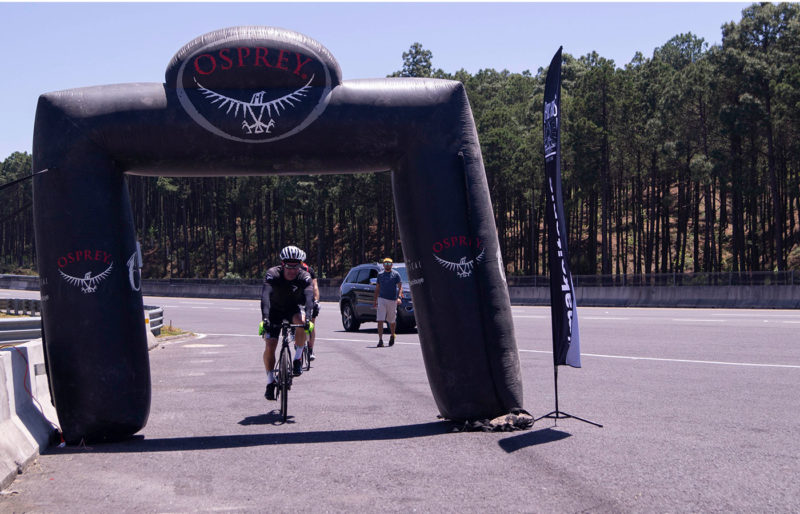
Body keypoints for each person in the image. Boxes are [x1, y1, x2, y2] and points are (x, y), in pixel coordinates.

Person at [259, 245, 315, 401]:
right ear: (282, 264)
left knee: (301, 322)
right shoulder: (272, 274)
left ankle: (297, 358)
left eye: (295, 266)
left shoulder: (304, 276)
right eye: (289, 267)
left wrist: (308, 318)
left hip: (292, 309)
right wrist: (265, 318)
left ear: (300, 265)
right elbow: (265, 297)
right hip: (274, 311)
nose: (292, 270)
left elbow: (309, 298)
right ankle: (270, 381)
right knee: (270, 345)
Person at [372, 257, 403, 347]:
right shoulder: (380, 275)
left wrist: (399, 297)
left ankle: (392, 335)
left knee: (392, 320)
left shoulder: (396, 274)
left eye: (389, 263)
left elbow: (400, 287)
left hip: (392, 300)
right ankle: (380, 340)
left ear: (392, 265)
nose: (387, 265)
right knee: (380, 320)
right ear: (383, 265)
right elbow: (377, 288)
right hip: (382, 299)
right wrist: (375, 300)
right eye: (385, 263)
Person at [299, 254, 320, 361]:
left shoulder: (309, 270)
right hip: (297, 299)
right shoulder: (290, 270)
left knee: (311, 323)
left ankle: (310, 349)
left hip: (309, 299)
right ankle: (299, 344)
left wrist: (316, 300)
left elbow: (315, 286)